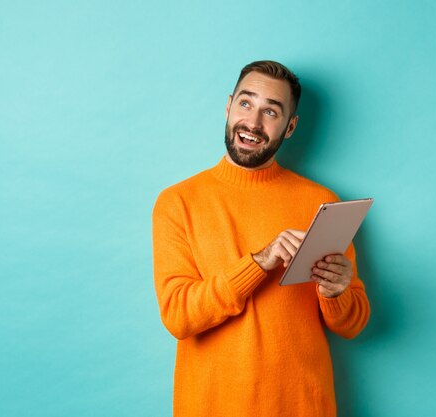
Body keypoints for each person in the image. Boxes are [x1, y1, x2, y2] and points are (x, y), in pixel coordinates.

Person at [152, 60, 370, 417]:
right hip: (211, 406)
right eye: (246, 103)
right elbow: (179, 317)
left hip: (303, 406)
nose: (252, 123)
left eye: (271, 111)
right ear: (228, 106)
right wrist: (259, 263)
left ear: (290, 127)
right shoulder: (178, 202)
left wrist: (337, 291)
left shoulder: (322, 203)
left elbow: (354, 324)